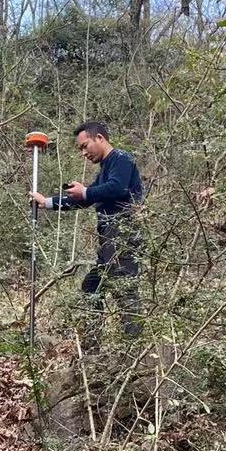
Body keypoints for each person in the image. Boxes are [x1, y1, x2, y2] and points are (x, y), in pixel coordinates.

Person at [30, 121, 144, 348]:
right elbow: (85, 199)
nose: (83, 153)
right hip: (109, 239)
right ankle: (92, 348)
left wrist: (86, 191)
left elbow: (118, 188)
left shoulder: (121, 159)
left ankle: (135, 350)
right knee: (92, 286)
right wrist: (47, 202)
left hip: (123, 233)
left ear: (99, 138)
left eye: (85, 146)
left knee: (124, 289)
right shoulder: (104, 171)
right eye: (80, 149)